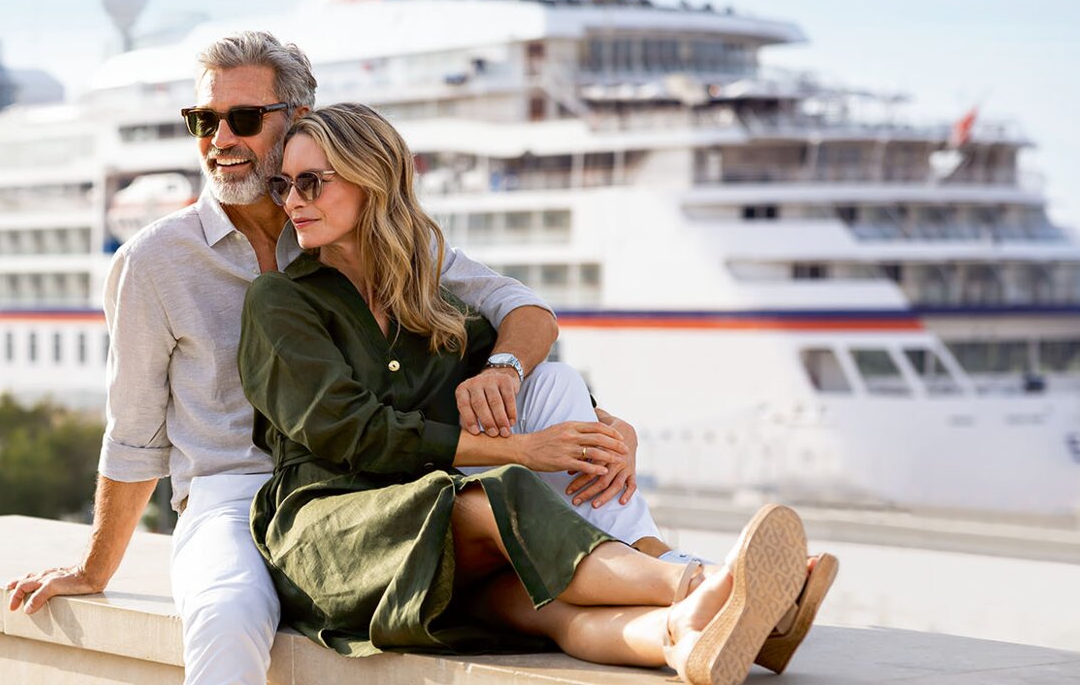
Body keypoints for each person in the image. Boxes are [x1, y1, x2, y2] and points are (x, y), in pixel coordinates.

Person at [6, 32, 694, 684]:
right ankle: (693, 587)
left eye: (243, 118)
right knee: (223, 616)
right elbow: (133, 430)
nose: (220, 141)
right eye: (202, 120)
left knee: (557, 383)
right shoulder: (154, 260)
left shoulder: (376, 240)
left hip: (381, 472)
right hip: (239, 490)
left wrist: (594, 425)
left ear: (299, 119)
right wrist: (96, 568)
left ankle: (684, 581)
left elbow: (521, 313)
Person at [239, 102, 832, 684]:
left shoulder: (433, 304)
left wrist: (605, 427)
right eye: (285, 185)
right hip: (335, 533)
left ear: (373, 181)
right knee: (491, 494)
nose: (292, 202)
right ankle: (705, 583)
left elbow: (526, 347)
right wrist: (525, 452)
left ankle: (684, 637)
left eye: (312, 183)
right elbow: (351, 432)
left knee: (548, 611)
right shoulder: (281, 301)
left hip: (439, 540)